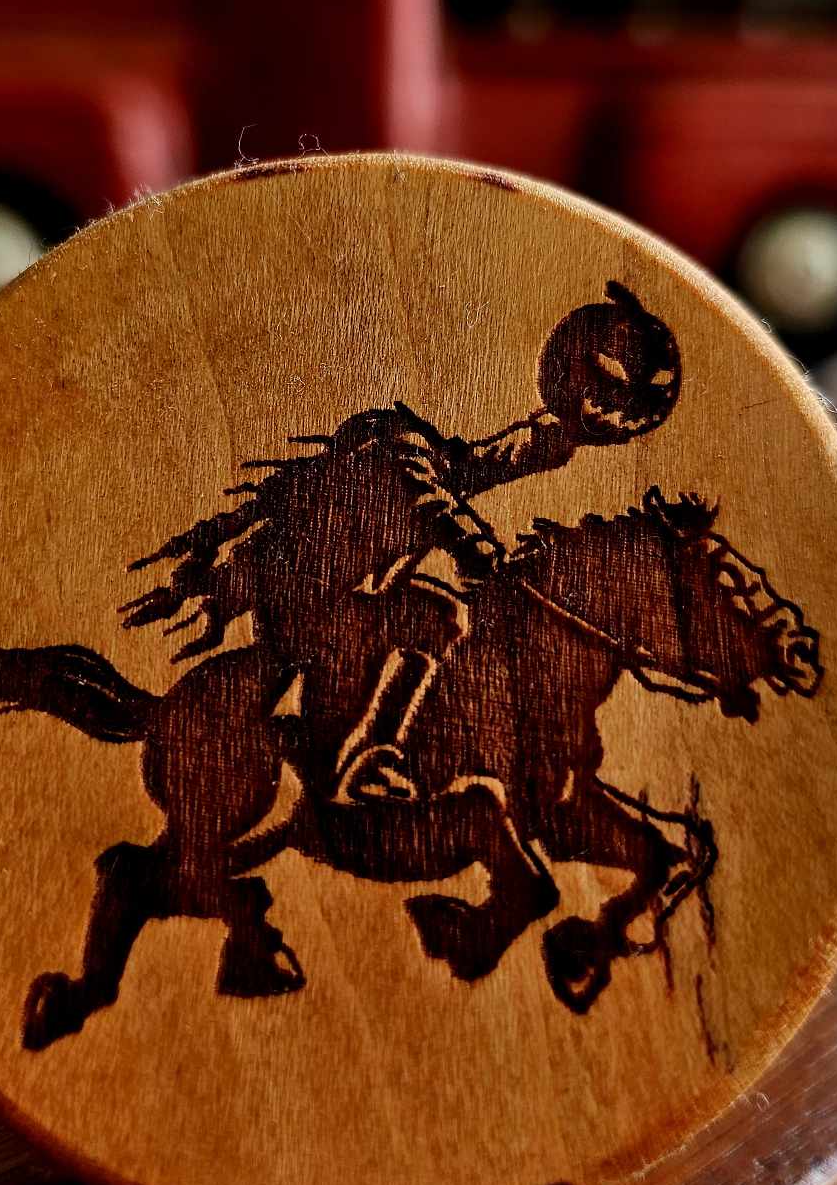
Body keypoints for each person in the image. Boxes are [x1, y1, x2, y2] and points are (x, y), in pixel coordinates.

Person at [121, 280, 681, 800]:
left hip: (349, 596)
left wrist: (552, 437)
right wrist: (478, 554)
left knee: (438, 620)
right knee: (442, 622)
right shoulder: (394, 449)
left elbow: (466, 471)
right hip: (312, 602)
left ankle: (366, 754)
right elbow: (434, 499)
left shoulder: (418, 453)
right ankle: (363, 760)